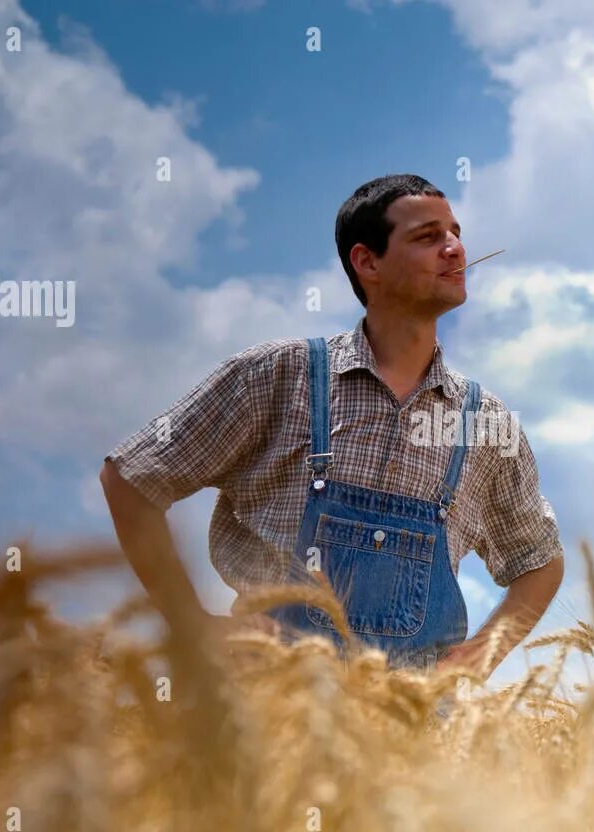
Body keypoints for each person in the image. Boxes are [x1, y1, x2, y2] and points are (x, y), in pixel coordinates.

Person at [99, 173, 564, 679]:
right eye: (428, 237)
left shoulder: (486, 423)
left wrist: (482, 654)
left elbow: (538, 559)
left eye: (455, 233)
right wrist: (188, 621)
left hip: (414, 734)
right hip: (271, 709)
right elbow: (132, 478)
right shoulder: (277, 376)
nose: (454, 249)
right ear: (367, 263)